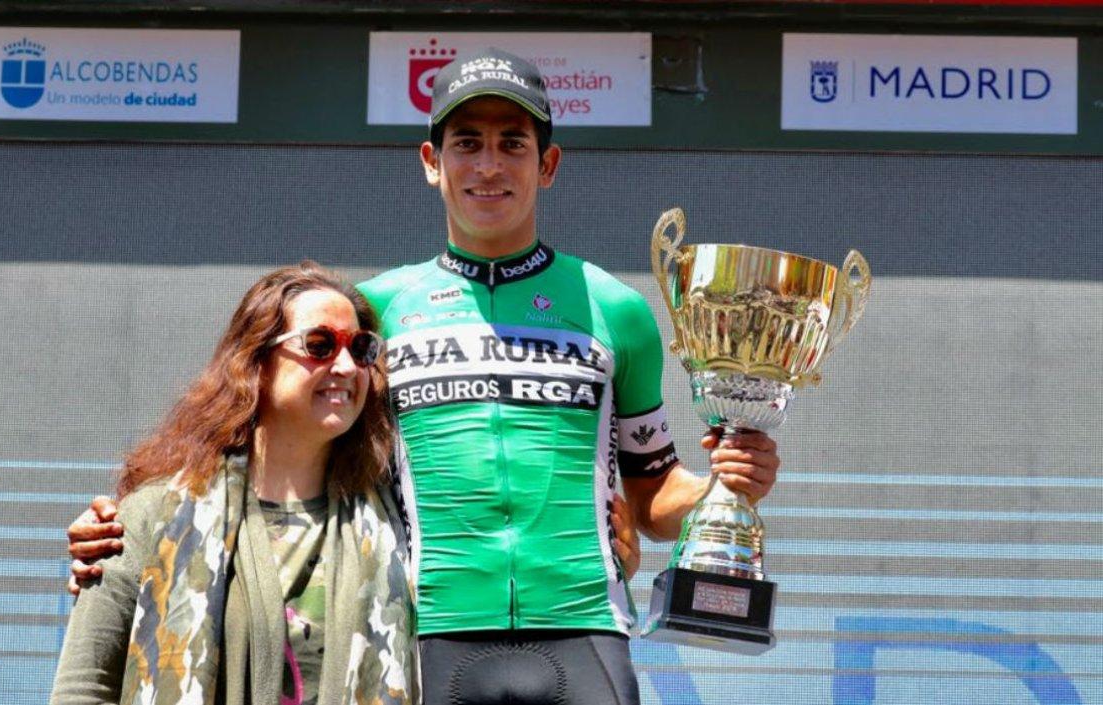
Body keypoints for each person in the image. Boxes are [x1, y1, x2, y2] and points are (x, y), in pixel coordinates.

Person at [67, 48, 779, 704]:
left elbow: (653, 494)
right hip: (421, 630)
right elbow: (258, 433)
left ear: (549, 163)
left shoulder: (616, 310)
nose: (489, 166)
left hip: (586, 629)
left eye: (512, 144)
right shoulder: (376, 310)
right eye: (466, 143)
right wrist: (125, 526)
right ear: (431, 162)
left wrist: (727, 488)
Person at [50, 263, 416, 705]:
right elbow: (83, 689)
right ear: (256, 361)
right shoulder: (151, 518)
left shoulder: (401, 521)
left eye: (360, 349)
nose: (345, 366)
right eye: (319, 345)